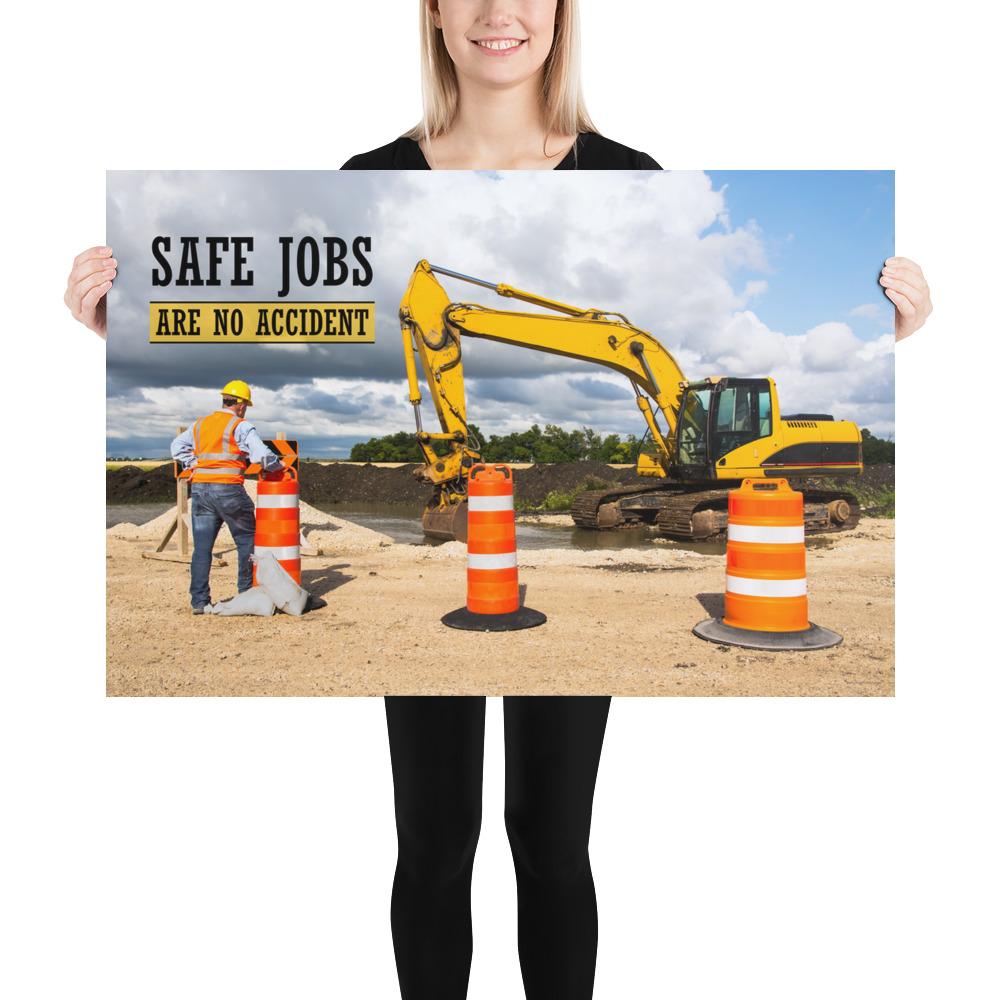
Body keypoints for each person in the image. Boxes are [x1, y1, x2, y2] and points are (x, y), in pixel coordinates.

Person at [67, 3, 932, 998]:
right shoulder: (366, 179)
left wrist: (892, 339)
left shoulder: (624, 178)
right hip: (476, 567)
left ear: (563, 12)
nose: (496, 11)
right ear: (430, 13)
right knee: (435, 841)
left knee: (552, 840)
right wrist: (122, 326)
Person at [170, 380, 284, 614]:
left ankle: (200, 602)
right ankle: (246, 592)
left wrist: (193, 465)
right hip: (228, 490)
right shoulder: (240, 426)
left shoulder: (200, 424)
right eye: (246, 406)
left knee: (202, 548)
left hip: (200, 490)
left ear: (224, 400)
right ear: (241, 405)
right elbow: (261, 456)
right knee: (247, 540)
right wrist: (277, 466)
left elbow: (176, 447)